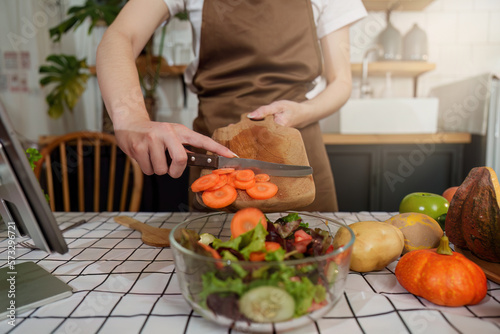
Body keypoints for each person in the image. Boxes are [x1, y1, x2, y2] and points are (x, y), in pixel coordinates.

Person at [96, 0, 367, 212]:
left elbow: (341, 81)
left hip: (297, 154)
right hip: (217, 155)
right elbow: (121, 35)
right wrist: (131, 118)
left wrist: (301, 112)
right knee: (215, 263)